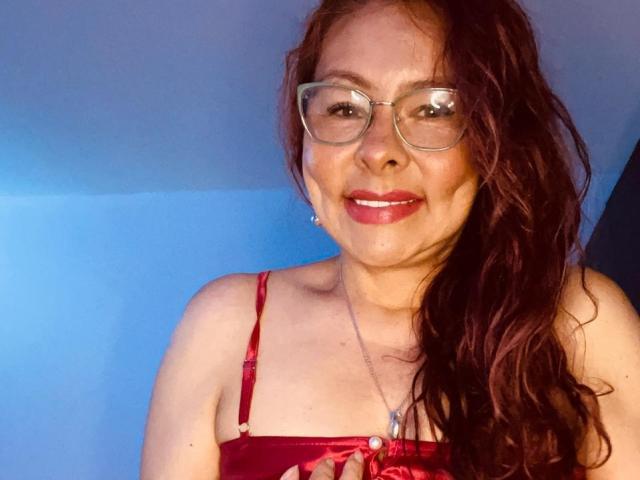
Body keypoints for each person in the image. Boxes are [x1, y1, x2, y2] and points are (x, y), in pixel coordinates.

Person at [140, 0, 640, 478]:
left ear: (494, 140)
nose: (378, 151)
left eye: (434, 109)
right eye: (343, 107)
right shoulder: (225, 325)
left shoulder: (582, 321)